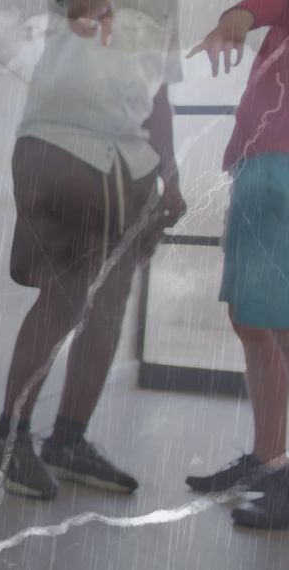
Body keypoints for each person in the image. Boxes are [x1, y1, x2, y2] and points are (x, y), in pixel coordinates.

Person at [0, 0, 187, 500]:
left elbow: (159, 95)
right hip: (66, 144)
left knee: (108, 307)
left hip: (126, 162)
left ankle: (67, 438)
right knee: (65, 295)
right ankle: (9, 439)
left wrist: (171, 175)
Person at [185, 0, 289, 530]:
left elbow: (258, 7)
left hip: (280, 167)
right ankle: (268, 459)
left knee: (279, 322)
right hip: (261, 167)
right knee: (252, 319)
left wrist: (238, 19)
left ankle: (279, 472)